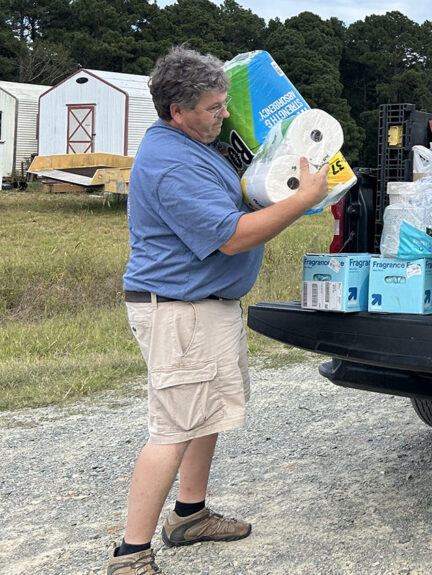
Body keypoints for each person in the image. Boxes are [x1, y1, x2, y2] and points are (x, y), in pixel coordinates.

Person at [109, 45, 329, 575]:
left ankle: (190, 515)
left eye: (223, 103)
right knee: (174, 426)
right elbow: (230, 237)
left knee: (205, 414)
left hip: (205, 308)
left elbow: (236, 200)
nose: (223, 114)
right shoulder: (170, 165)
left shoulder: (193, 145)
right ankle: (131, 554)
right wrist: (300, 201)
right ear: (176, 110)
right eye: (212, 107)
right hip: (180, 313)